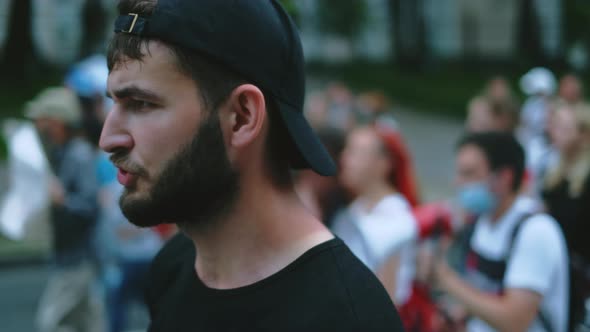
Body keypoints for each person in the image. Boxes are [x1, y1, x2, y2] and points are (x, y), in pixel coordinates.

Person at [100, 1, 404, 331]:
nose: (108, 138)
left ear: (242, 117)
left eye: (142, 104)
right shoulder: (173, 268)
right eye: (113, 103)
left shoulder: (348, 318)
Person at [432, 132, 569, 332]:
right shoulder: (482, 220)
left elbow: (515, 321)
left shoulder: (535, 230)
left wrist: (447, 280)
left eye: (469, 174)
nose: (458, 183)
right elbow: (488, 294)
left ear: (504, 177)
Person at [25, 87, 105, 332]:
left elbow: (91, 206)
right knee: (88, 323)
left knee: (51, 321)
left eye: (44, 120)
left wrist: (62, 200)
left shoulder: (78, 155)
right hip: (73, 255)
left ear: (58, 122)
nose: (39, 127)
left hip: (79, 257)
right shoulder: (61, 153)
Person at [332, 124, 419, 316]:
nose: (345, 159)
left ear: (383, 164)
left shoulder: (395, 217)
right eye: (348, 150)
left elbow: (385, 304)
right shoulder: (358, 206)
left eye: (357, 152)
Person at [543, 103, 590, 330]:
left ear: (583, 135)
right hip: (555, 268)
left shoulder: (586, 181)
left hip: (577, 279)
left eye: (564, 127)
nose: (554, 132)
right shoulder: (555, 170)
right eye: (555, 125)